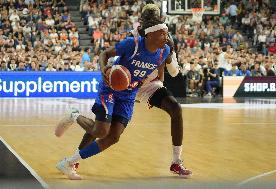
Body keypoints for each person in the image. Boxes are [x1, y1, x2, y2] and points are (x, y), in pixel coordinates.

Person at [56, 3, 191, 179]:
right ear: (143, 21)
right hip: (122, 80)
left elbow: (172, 71)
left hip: (145, 83)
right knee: (101, 128)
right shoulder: (134, 40)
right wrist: (107, 71)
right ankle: (76, 157)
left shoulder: (164, 40)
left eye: (155, 17)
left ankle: (176, 161)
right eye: (148, 17)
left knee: (176, 109)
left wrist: (171, 55)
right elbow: (108, 54)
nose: (151, 20)